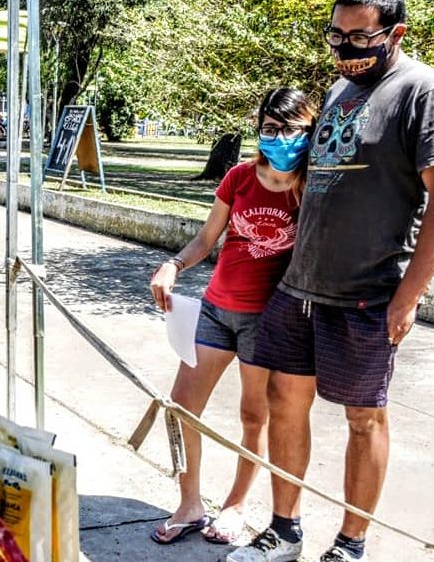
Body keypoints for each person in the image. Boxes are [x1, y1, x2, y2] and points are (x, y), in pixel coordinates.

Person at [228, 0, 434, 562]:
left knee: (364, 418)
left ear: (396, 34)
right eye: (337, 37)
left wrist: (408, 298)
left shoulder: (423, 92)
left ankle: (350, 543)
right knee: (285, 401)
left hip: (367, 293)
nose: (345, 49)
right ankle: (284, 530)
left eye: (360, 37)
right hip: (300, 287)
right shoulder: (338, 90)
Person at [148, 88, 317, 547]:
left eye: (290, 130)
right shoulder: (240, 178)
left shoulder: (313, 188)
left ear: (310, 131)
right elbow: (206, 238)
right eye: (269, 129)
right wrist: (174, 265)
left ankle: (237, 505)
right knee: (182, 408)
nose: (279, 139)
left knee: (253, 416)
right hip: (217, 311)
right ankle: (189, 504)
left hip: (269, 322)